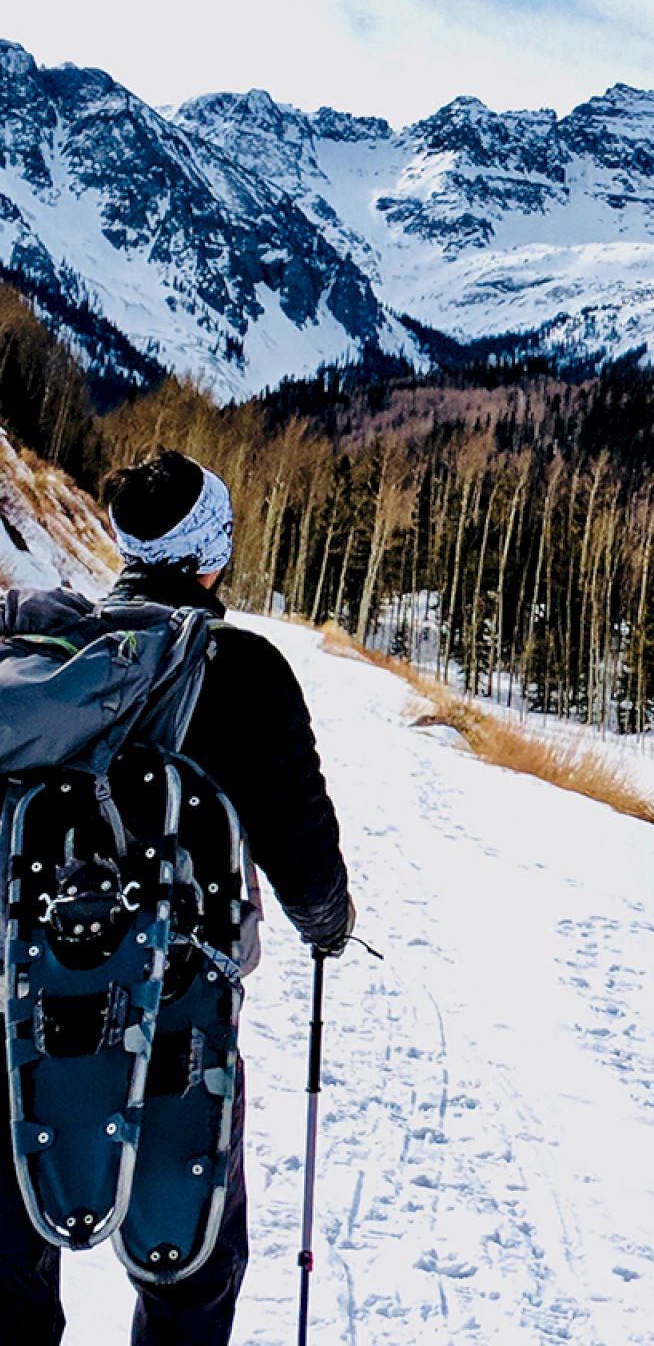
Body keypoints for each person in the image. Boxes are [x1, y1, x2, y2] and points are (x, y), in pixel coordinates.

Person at [0, 448, 356, 1345]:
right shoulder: (244, 673)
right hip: (175, 1027)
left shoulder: (47, 660)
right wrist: (328, 924)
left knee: (8, 1280)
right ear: (213, 552)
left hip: (18, 1016)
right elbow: (304, 850)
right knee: (189, 1275)